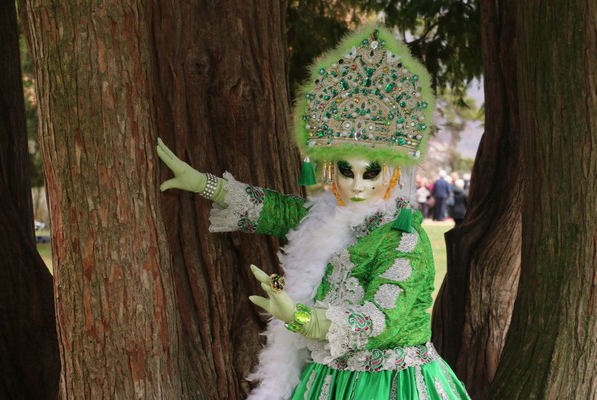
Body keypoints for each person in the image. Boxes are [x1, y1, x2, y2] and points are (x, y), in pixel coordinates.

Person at [157, 25, 470, 400]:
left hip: (389, 386)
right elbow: (275, 209)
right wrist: (205, 184)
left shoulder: (403, 238)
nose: (356, 185)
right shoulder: (327, 217)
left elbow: (379, 320)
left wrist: (298, 317)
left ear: (391, 173)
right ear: (329, 171)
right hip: (329, 380)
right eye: (345, 171)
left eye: (370, 173)